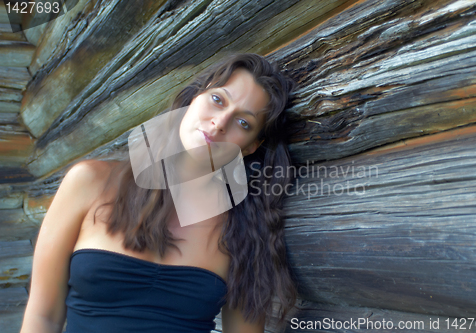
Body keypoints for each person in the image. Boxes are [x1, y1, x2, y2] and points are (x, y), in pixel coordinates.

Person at [20, 53, 298, 333]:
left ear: (251, 146)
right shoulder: (90, 182)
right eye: (217, 100)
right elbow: (43, 317)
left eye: (243, 123)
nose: (220, 123)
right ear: (194, 97)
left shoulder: (243, 233)